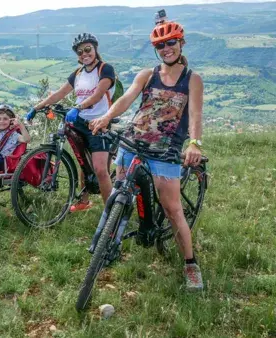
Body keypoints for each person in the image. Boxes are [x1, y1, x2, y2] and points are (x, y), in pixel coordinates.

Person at [89, 19, 204, 291]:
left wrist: (195, 143)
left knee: (172, 209)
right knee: (120, 194)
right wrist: (106, 116)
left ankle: (190, 264)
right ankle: (108, 245)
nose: (166, 49)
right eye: (161, 45)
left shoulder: (192, 79)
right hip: (133, 141)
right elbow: (126, 99)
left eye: (171, 43)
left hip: (166, 149)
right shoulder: (147, 74)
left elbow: (196, 115)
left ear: (181, 43)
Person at [26, 33, 116, 211]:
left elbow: (98, 95)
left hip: (99, 124)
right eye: (80, 52)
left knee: (99, 170)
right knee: (82, 160)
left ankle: (109, 212)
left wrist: (78, 107)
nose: (84, 54)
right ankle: (83, 201)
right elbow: (59, 94)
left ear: (95, 49)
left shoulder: (105, 69)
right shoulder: (78, 73)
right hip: (81, 122)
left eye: (88, 49)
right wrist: (37, 108)